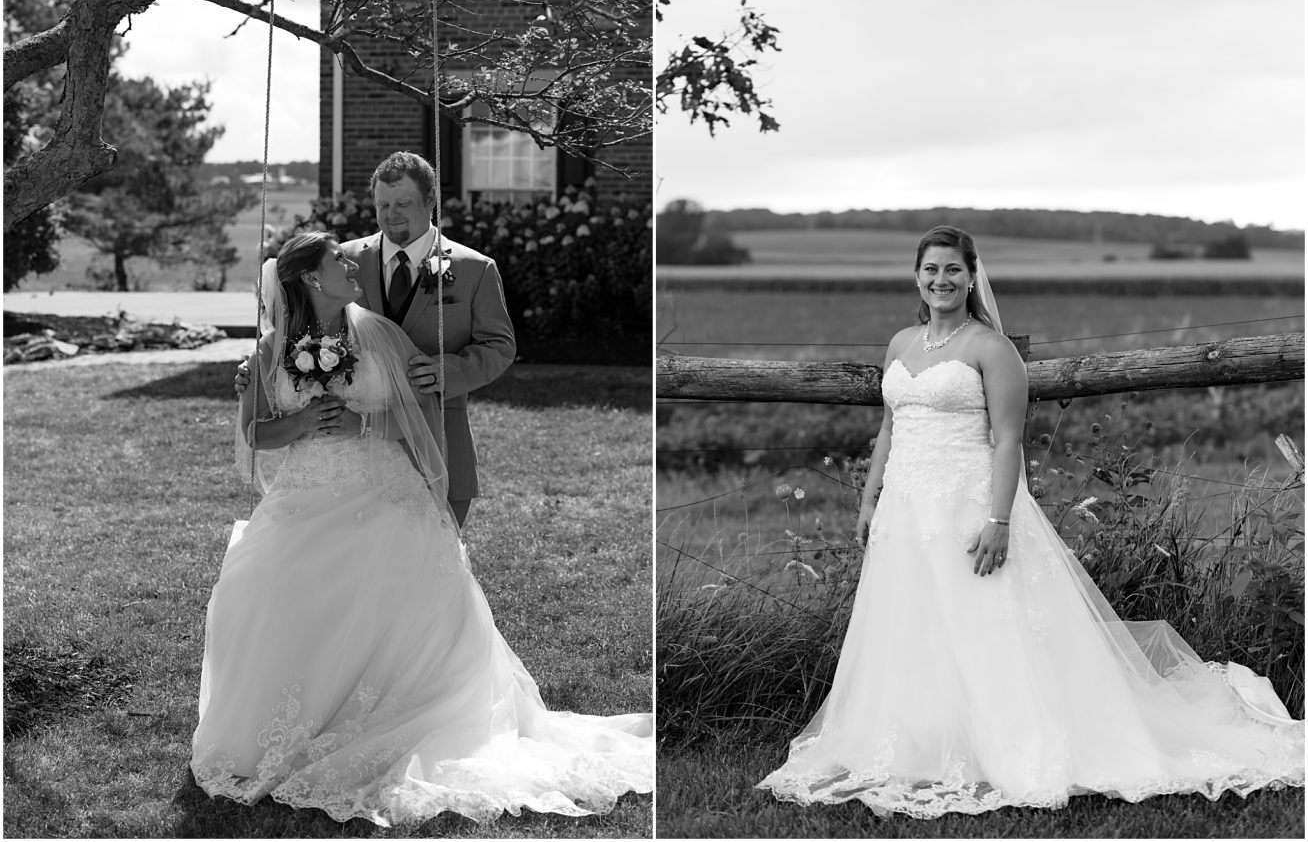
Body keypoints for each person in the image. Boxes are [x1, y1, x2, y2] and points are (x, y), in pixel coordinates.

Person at [757, 225, 1302, 818]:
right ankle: (919, 738)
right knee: (912, 623)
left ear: (972, 278)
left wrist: (999, 519)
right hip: (904, 510)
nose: (941, 280)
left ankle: (1007, 741)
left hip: (969, 506)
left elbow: (1008, 440)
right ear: (916, 276)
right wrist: (869, 498)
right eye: (931, 269)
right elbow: (889, 428)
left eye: (953, 270)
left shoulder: (992, 349)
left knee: (983, 623)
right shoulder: (900, 344)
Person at [194, 232, 651, 826]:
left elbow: (416, 419)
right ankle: (292, 725)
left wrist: (362, 428)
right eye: (337, 260)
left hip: (383, 492)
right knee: (271, 589)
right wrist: (304, 420)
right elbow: (257, 435)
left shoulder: (381, 336)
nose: (349, 262)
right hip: (303, 498)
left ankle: (400, 717)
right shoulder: (271, 349)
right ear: (310, 278)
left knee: (393, 589)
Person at [237, 151, 514, 527]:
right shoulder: (343, 261)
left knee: (430, 568)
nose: (391, 213)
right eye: (382, 204)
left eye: (403, 203)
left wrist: (445, 372)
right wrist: (258, 370)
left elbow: (500, 346)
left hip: (438, 432)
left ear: (431, 201)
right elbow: (294, 328)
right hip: (338, 463)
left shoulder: (474, 269)